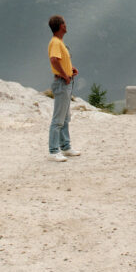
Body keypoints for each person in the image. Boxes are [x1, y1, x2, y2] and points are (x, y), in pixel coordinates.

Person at [47, 15, 81, 162]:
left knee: (65, 118)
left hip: (64, 81)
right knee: (58, 120)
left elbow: (60, 60)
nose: (66, 25)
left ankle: (66, 147)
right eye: (64, 23)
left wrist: (69, 69)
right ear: (60, 26)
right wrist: (64, 75)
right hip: (62, 83)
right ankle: (54, 151)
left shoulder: (59, 42)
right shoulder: (55, 42)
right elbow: (54, 60)